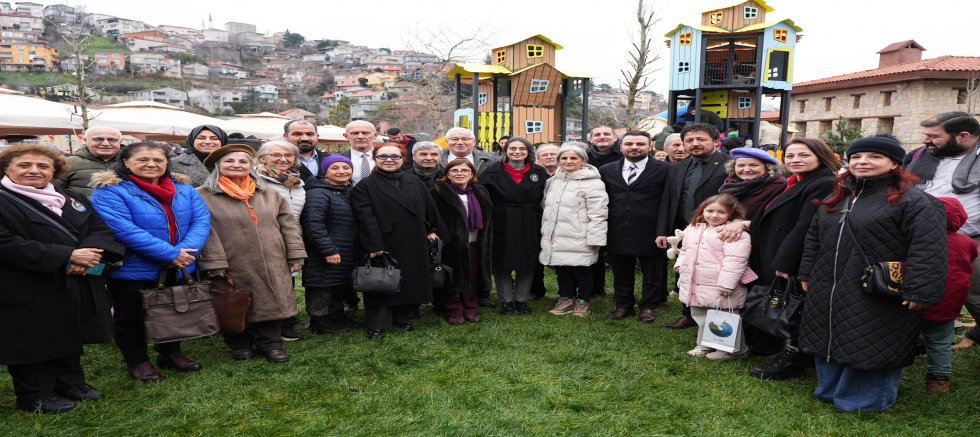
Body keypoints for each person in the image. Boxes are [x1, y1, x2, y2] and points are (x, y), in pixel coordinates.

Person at [797, 134, 946, 413]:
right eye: (856, 157)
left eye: (874, 157)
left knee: (871, 339)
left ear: (894, 164)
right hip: (830, 283)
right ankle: (830, 390)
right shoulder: (838, 196)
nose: (863, 162)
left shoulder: (915, 201)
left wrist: (920, 290)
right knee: (830, 333)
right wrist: (807, 272)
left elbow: (929, 248)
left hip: (879, 288)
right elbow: (814, 239)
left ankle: (864, 402)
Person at [0, 144, 123, 413]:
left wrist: (89, 257)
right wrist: (67, 255)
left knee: (69, 329)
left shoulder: (69, 196)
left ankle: (70, 381)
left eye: (43, 166)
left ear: (54, 171)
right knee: (32, 338)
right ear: (6, 168)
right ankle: (34, 393)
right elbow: (6, 243)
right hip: (25, 282)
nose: (35, 170)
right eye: (24, 165)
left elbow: (99, 229)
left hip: (75, 277)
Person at [90, 142, 211, 382]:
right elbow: (124, 230)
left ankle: (170, 353)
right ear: (126, 162)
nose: (151, 164)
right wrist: (170, 254)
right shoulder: (111, 191)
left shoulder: (184, 189)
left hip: (180, 262)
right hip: (135, 267)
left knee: (174, 310)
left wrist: (184, 253)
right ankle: (138, 361)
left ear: (167, 163)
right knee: (130, 317)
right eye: (143, 159)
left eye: (158, 160)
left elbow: (201, 221)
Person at [740, 138, 841, 379]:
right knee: (791, 304)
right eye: (791, 155)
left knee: (795, 306)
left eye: (804, 155)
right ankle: (793, 351)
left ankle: (795, 357)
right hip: (775, 249)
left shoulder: (823, 183)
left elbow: (804, 225)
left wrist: (786, 261)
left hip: (793, 256)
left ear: (821, 156)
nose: (796, 160)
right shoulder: (794, 182)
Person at [196, 145, 306, 363]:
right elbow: (204, 230)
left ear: (251, 166)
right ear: (217, 166)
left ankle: (271, 344)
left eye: (243, 161)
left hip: (272, 258)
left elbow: (288, 225)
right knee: (233, 303)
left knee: (271, 301)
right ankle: (240, 344)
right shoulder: (202, 196)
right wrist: (215, 262)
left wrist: (295, 254)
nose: (237, 165)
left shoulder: (268, 193)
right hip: (230, 260)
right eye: (229, 161)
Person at [351, 143, 442, 339]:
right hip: (384, 242)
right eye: (383, 157)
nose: (389, 160)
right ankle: (377, 324)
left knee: (406, 281)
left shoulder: (414, 182)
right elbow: (365, 218)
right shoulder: (365, 186)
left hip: (413, 239)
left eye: (394, 156)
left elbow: (428, 208)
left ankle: (402, 318)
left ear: (403, 159)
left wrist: (431, 229)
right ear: (376, 159)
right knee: (381, 282)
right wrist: (374, 245)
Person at [907, 112, 980, 351]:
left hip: (972, 239)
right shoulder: (920, 156)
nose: (925, 140)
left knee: (974, 293)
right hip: (921, 237)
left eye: (933, 136)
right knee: (918, 288)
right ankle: (917, 343)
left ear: (964, 136)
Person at [656, 123, 732, 329]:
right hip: (685, 230)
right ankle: (687, 313)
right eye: (689, 140)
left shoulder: (730, 164)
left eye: (701, 139)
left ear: (716, 141)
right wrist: (663, 231)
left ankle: (715, 316)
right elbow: (667, 200)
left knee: (711, 273)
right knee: (685, 271)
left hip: (716, 231)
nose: (694, 144)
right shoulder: (678, 167)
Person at [600, 131, 670, 323]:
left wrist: (663, 230)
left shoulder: (664, 169)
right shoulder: (607, 170)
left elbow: (666, 202)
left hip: (650, 229)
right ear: (621, 146)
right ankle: (624, 305)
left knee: (652, 272)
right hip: (617, 227)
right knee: (621, 269)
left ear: (650, 147)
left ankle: (648, 306)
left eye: (640, 144)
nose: (634, 147)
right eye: (629, 143)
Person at [675, 194, 752, 360]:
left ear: (731, 214)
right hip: (696, 282)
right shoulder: (693, 229)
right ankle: (705, 344)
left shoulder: (733, 233)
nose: (714, 215)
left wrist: (726, 284)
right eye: (710, 211)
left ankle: (734, 350)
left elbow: (736, 260)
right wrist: (680, 265)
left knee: (724, 316)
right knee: (701, 314)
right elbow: (685, 250)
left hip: (720, 284)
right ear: (702, 212)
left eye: (721, 212)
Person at [480, 137, 548, 312]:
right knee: (501, 260)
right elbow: (482, 197)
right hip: (501, 220)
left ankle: (521, 300)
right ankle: (506, 301)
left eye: (522, 149)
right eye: (513, 148)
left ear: (528, 152)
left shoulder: (539, 172)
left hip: (530, 219)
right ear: (505, 150)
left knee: (528, 259)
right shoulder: (492, 172)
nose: (517, 152)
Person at [541, 143, 609, 318]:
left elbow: (598, 213)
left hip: (580, 235)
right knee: (562, 268)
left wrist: (596, 238)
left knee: (583, 270)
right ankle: (565, 298)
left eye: (573, 158)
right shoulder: (553, 181)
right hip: (557, 234)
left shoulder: (593, 183)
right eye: (564, 158)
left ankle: (582, 301)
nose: (568, 161)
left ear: (583, 161)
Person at [921, 197, 977, 394]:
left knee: (904, 337)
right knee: (940, 343)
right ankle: (938, 382)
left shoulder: (916, 240)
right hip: (948, 303)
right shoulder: (968, 243)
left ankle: (894, 371)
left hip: (915, 300)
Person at [301, 155, 359, 335]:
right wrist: (328, 249)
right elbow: (313, 224)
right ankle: (319, 321)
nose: (342, 171)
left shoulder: (346, 190)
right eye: (335, 168)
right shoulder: (318, 192)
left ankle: (336, 318)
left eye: (346, 167)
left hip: (344, 248)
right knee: (321, 286)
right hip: (325, 251)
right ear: (325, 171)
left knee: (337, 284)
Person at [255, 140, 307, 342]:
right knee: (268, 282)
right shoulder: (256, 179)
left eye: (288, 155)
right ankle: (268, 326)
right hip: (266, 236)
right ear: (263, 158)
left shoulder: (295, 181)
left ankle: (286, 322)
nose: (283, 159)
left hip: (291, 234)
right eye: (276, 155)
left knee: (287, 281)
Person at [431, 159, 493, 324]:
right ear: (447, 174)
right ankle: (452, 308)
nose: (459, 174)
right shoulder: (438, 192)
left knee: (472, 276)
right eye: (455, 170)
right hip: (450, 243)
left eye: (464, 171)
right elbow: (430, 216)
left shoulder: (480, 192)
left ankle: (471, 306)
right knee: (452, 277)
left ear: (472, 174)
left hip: (475, 242)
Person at [586, 126, 620, 297]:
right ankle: (596, 288)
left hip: (618, 207)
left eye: (606, 134)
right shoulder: (585, 157)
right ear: (591, 138)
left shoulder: (624, 154)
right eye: (597, 134)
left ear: (615, 137)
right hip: (591, 208)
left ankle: (621, 290)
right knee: (593, 249)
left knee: (617, 252)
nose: (602, 137)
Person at [55, 126, 123, 198]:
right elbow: (54, 192)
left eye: (112, 140)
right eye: (98, 139)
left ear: (120, 142)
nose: (105, 143)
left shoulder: (130, 163)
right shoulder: (68, 163)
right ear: (85, 140)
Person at [717, 147, 786, 219]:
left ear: (768, 167)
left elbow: (775, 218)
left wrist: (744, 225)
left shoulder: (778, 185)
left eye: (753, 165)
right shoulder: (730, 184)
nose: (746, 170)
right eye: (741, 165)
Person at [341, 120, 378, 186]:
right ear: (346, 136)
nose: (360, 137)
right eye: (355, 133)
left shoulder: (388, 158)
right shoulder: (338, 160)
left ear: (375, 135)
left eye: (365, 133)